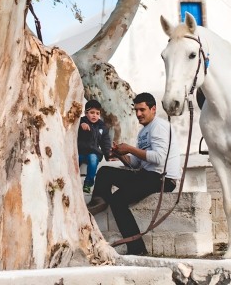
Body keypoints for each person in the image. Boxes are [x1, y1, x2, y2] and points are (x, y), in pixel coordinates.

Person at [86, 92, 181, 256]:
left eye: (142, 110)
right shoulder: (143, 132)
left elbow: (158, 158)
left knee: (105, 174)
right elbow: (136, 163)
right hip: (147, 175)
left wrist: (129, 148)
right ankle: (137, 249)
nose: (138, 114)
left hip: (162, 179)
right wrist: (119, 154)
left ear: (153, 109)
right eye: (136, 110)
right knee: (114, 193)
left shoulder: (159, 126)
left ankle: (99, 202)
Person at [77, 100, 112, 193]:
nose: (94, 115)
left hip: (93, 152)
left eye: (97, 113)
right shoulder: (81, 122)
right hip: (80, 152)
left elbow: (106, 143)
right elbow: (73, 128)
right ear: (85, 113)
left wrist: (109, 156)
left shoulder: (102, 126)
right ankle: (73, 181)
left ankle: (88, 184)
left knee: (93, 159)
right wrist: (80, 125)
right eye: (92, 113)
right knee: (76, 160)